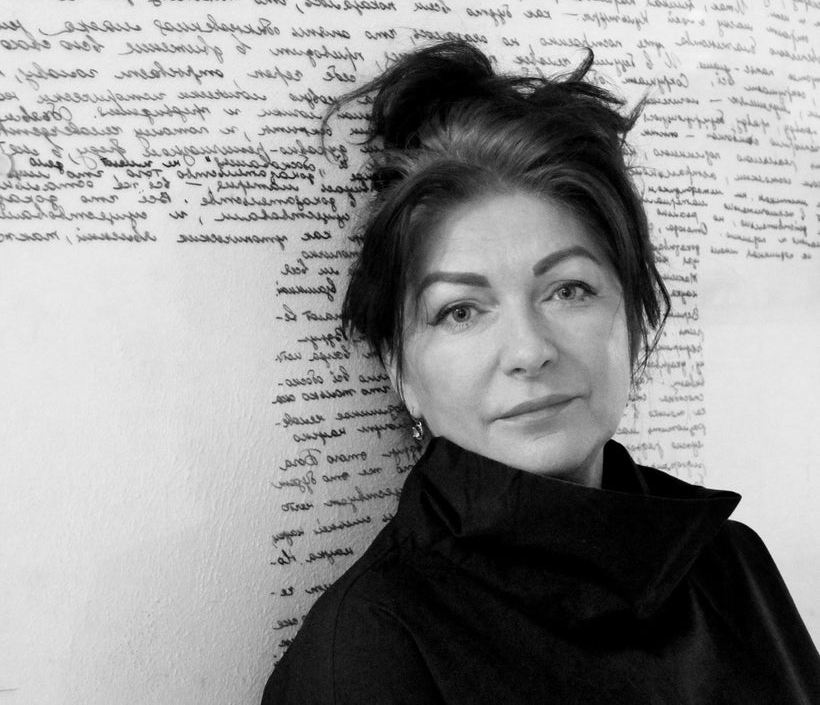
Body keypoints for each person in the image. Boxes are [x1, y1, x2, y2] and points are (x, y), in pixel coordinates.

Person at [261, 42, 820, 703]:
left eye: (568, 290)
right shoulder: (368, 649)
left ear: (634, 316)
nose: (529, 351)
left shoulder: (734, 563)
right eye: (461, 311)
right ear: (400, 372)